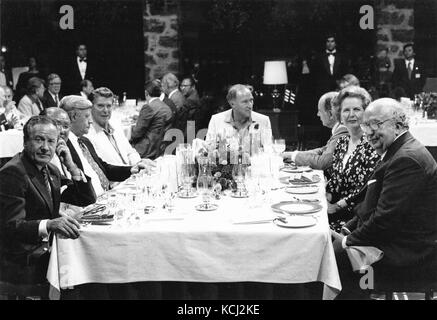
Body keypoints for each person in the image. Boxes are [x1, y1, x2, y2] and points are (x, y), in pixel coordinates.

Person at [333, 98, 437, 299]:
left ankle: (364, 291)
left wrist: (347, 240)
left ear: (398, 126)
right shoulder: (398, 150)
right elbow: (372, 204)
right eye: (366, 125)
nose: (369, 132)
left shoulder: (406, 159)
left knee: (332, 259)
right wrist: (347, 228)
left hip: (409, 255)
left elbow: (384, 221)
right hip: (399, 241)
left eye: (376, 124)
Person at [0, 116, 96, 287]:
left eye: (51, 141)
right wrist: (49, 224)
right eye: (39, 140)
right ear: (25, 142)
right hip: (22, 261)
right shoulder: (13, 173)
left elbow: (86, 198)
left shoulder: (50, 169)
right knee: (85, 274)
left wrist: (71, 166)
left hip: (46, 251)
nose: (45, 147)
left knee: (93, 266)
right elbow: (11, 226)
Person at [59, 95, 154, 197]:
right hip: (90, 203)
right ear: (73, 117)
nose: (91, 121)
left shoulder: (84, 141)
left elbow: (104, 168)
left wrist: (131, 170)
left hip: (108, 196)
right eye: (87, 116)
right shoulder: (64, 147)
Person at [325, 86, 380, 232]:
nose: (351, 115)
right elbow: (335, 181)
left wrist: (336, 207)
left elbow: (365, 189)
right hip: (334, 212)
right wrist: (325, 197)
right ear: (339, 114)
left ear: (366, 112)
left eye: (356, 109)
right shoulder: (342, 142)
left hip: (355, 219)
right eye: (346, 110)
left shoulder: (372, 144)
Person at [282, 91, 348, 171]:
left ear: (330, 114)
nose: (318, 114)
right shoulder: (339, 129)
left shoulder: (343, 129)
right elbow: (322, 150)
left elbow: (322, 163)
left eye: (320, 110)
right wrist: (292, 154)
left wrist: (293, 156)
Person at [206, 84, 273, 151]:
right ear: (232, 104)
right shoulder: (216, 120)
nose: (250, 105)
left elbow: (269, 150)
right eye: (245, 102)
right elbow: (208, 149)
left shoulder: (263, 121)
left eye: (251, 100)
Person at [85, 87, 141, 166]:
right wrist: (130, 170)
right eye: (100, 106)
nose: (105, 110)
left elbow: (130, 151)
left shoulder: (115, 125)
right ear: (91, 107)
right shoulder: (88, 135)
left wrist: (138, 164)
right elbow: (105, 167)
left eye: (109, 106)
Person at [131, 80, 173, 160]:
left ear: (146, 93)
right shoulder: (167, 108)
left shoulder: (148, 107)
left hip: (146, 148)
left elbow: (136, 134)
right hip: (161, 147)